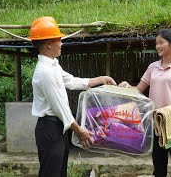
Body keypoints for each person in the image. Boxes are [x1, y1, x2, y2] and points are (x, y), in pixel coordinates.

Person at [29, 16, 116, 177]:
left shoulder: (53, 65)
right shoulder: (45, 72)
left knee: (60, 172)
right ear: (48, 43)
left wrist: (100, 79)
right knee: (51, 173)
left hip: (58, 127)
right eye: (59, 39)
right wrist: (78, 130)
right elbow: (59, 107)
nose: (61, 43)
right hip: (50, 128)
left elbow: (72, 81)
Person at [119, 29, 171, 177]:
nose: (158, 46)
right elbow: (138, 90)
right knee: (159, 168)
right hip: (156, 123)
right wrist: (126, 86)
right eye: (156, 43)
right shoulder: (152, 67)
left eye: (161, 42)